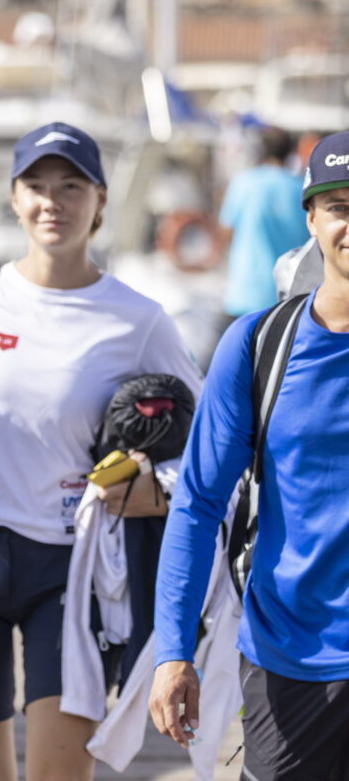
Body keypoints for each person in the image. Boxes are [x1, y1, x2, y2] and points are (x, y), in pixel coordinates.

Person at [0, 121, 203, 781]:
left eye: (70, 186)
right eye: (36, 185)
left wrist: (157, 492)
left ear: (99, 199)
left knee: (58, 775)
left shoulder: (137, 317)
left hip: (71, 566)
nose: (51, 202)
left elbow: (209, 448)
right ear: (14, 197)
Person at [150, 130, 349, 780]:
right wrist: (174, 651)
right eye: (339, 205)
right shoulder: (257, 347)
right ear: (312, 219)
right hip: (290, 659)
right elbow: (198, 501)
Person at [218, 124, 310, 321]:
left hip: (244, 295)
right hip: (287, 299)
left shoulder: (244, 182)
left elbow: (226, 231)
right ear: (290, 152)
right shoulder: (301, 189)